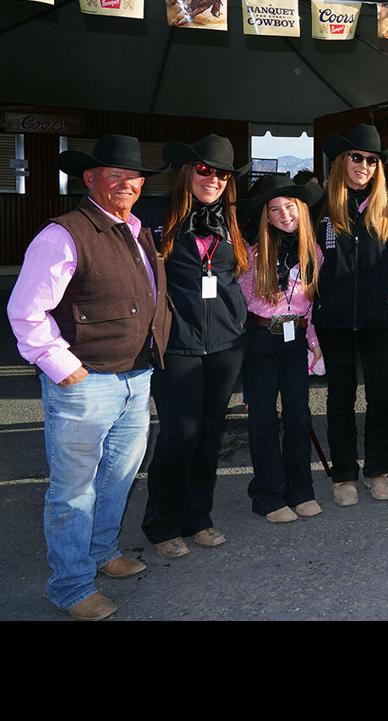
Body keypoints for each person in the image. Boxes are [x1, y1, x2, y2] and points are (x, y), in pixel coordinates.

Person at [7, 134, 170, 621]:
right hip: (87, 381)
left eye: (133, 176)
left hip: (135, 377)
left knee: (118, 477)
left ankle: (103, 554)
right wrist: (65, 367)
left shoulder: (138, 230)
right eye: (114, 175)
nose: (126, 183)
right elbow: (27, 312)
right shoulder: (63, 233)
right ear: (90, 179)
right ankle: (72, 585)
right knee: (73, 489)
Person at [142, 134, 250, 560]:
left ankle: (198, 516)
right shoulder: (153, 218)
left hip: (225, 346)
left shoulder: (234, 222)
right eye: (205, 169)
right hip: (179, 346)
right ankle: (163, 522)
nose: (214, 179)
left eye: (222, 173)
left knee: (210, 434)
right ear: (188, 172)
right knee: (179, 435)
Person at [314, 123, 388, 506]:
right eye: (357, 157)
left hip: (380, 321)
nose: (365, 166)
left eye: (372, 160)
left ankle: (378, 470)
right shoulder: (319, 207)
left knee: (381, 396)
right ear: (342, 161)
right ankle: (343, 476)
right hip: (334, 321)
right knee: (339, 399)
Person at [238, 174, 325, 523]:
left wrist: (315, 343)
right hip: (261, 339)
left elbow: (313, 305)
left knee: (298, 414)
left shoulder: (313, 251)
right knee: (262, 417)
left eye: (290, 206)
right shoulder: (252, 252)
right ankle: (268, 495)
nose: (284, 214)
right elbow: (242, 299)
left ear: (301, 209)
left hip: (296, 340)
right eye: (275, 209)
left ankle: (301, 490)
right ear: (267, 217)